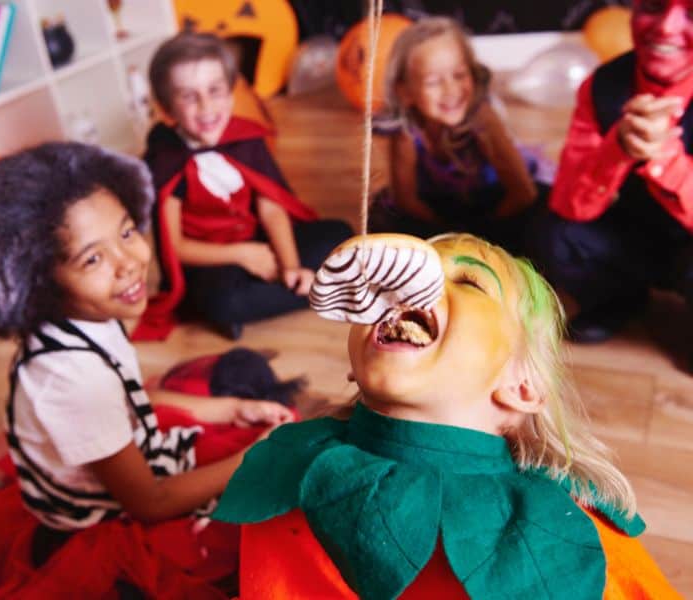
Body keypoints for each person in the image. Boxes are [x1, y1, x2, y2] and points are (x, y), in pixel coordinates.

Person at [0, 142, 293, 599]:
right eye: (92, 259)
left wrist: (229, 407)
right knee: (268, 530)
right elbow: (150, 503)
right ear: (39, 281)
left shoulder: (88, 319)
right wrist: (254, 458)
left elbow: (130, 396)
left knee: (245, 382)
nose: (128, 263)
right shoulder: (70, 380)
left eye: (128, 232)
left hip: (126, 456)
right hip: (112, 519)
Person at [214, 233, 681, 599]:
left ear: (524, 386)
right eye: (395, 275)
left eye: (468, 281)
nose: (411, 283)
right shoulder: (290, 466)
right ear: (354, 369)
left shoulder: (568, 528)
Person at [134, 32, 353, 341]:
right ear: (167, 109)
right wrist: (244, 255)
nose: (206, 106)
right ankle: (319, 288)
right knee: (224, 302)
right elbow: (177, 247)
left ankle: (294, 284)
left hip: (258, 237)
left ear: (231, 94)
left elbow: (272, 207)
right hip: (214, 260)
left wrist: (288, 264)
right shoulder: (167, 163)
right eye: (188, 96)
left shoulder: (246, 139)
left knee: (340, 234)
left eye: (215, 91)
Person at [529, 0, 693, 353]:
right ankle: (622, 298)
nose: (666, 28)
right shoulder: (602, 85)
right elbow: (568, 203)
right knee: (556, 233)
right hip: (637, 233)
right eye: (654, 6)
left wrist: (664, 157)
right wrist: (618, 146)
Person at [369, 17, 549, 255]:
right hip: (439, 206)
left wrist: (476, 235)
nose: (451, 90)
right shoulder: (406, 133)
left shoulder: (483, 120)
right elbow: (407, 201)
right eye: (433, 81)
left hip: (494, 201)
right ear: (405, 92)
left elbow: (522, 194)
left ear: (473, 76)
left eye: (460, 75)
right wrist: (448, 235)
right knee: (384, 218)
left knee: (541, 220)